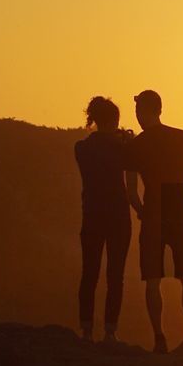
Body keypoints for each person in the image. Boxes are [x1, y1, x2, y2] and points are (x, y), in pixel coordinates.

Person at [126, 89, 183, 353]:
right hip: (181, 214)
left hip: (153, 216)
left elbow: (130, 190)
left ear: (150, 111)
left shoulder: (136, 146)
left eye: (139, 112)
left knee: (152, 280)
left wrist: (141, 210)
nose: (137, 117)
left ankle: (159, 339)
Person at [74, 96, 138, 343]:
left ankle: (86, 328)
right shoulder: (122, 148)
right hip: (118, 216)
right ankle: (110, 330)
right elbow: (132, 164)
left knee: (89, 272)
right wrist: (127, 142)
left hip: (91, 214)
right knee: (115, 275)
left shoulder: (81, 148)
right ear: (115, 120)